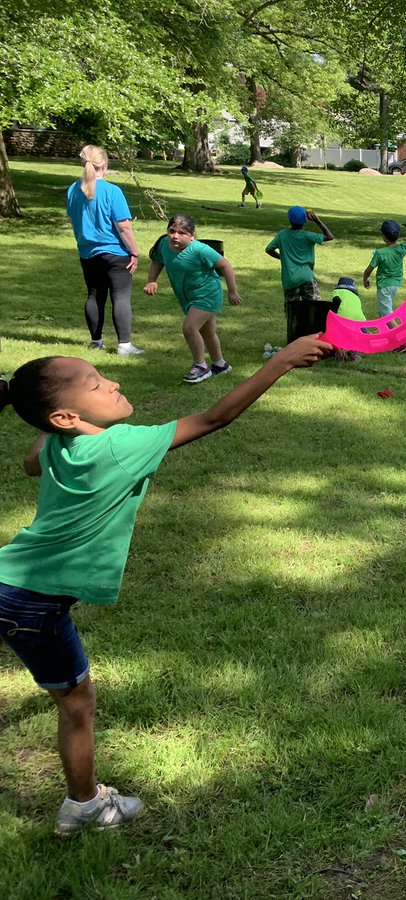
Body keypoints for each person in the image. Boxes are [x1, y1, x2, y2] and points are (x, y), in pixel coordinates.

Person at [0, 334, 330, 834]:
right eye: (95, 383)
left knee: (72, 695)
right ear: (65, 416)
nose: (112, 383)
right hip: (30, 601)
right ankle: (85, 807)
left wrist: (50, 423)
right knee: (77, 703)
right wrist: (281, 362)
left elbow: (31, 461)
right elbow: (213, 418)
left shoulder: (57, 445)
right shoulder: (118, 447)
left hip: (12, 582)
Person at [143, 214, 242, 384]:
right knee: (207, 332)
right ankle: (220, 365)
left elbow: (225, 265)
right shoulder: (164, 244)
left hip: (207, 294)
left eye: (182, 233)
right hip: (188, 296)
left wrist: (232, 291)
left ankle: (200, 366)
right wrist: (152, 280)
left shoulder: (200, 249)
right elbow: (158, 261)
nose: (175, 236)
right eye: (172, 231)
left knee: (189, 328)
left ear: (192, 236)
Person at [66, 145, 143, 356]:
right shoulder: (112, 191)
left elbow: (72, 220)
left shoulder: (73, 190)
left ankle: (96, 341)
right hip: (115, 253)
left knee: (94, 295)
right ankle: (124, 346)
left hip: (87, 252)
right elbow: (124, 226)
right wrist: (134, 251)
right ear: (105, 164)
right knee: (121, 296)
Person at [265, 206, 335, 343]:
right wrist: (317, 221)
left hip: (289, 279)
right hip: (307, 277)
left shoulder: (282, 235)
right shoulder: (307, 236)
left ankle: (294, 340)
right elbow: (329, 236)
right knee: (315, 308)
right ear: (305, 221)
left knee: (292, 311)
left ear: (289, 220)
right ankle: (317, 339)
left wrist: (282, 257)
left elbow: (268, 249)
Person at [363, 219, 406, 315]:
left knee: (386, 313)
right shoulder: (402, 248)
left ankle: (397, 326)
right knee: (383, 311)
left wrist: (365, 279)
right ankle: (384, 325)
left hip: (384, 286)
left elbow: (368, 271)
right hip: (396, 284)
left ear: (384, 237)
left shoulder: (380, 253)